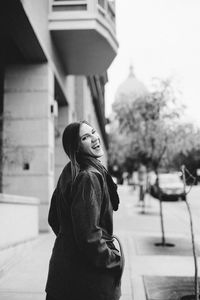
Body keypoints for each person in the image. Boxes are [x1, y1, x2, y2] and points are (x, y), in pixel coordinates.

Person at [45, 120, 124, 300]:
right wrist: (113, 260)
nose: (95, 138)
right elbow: (89, 237)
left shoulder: (70, 171)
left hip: (64, 275)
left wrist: (71, 241)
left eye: (94, 132)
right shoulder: (89, 176)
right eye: (85, 137)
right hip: (87, 281)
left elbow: (53, 219)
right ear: (77, 147)